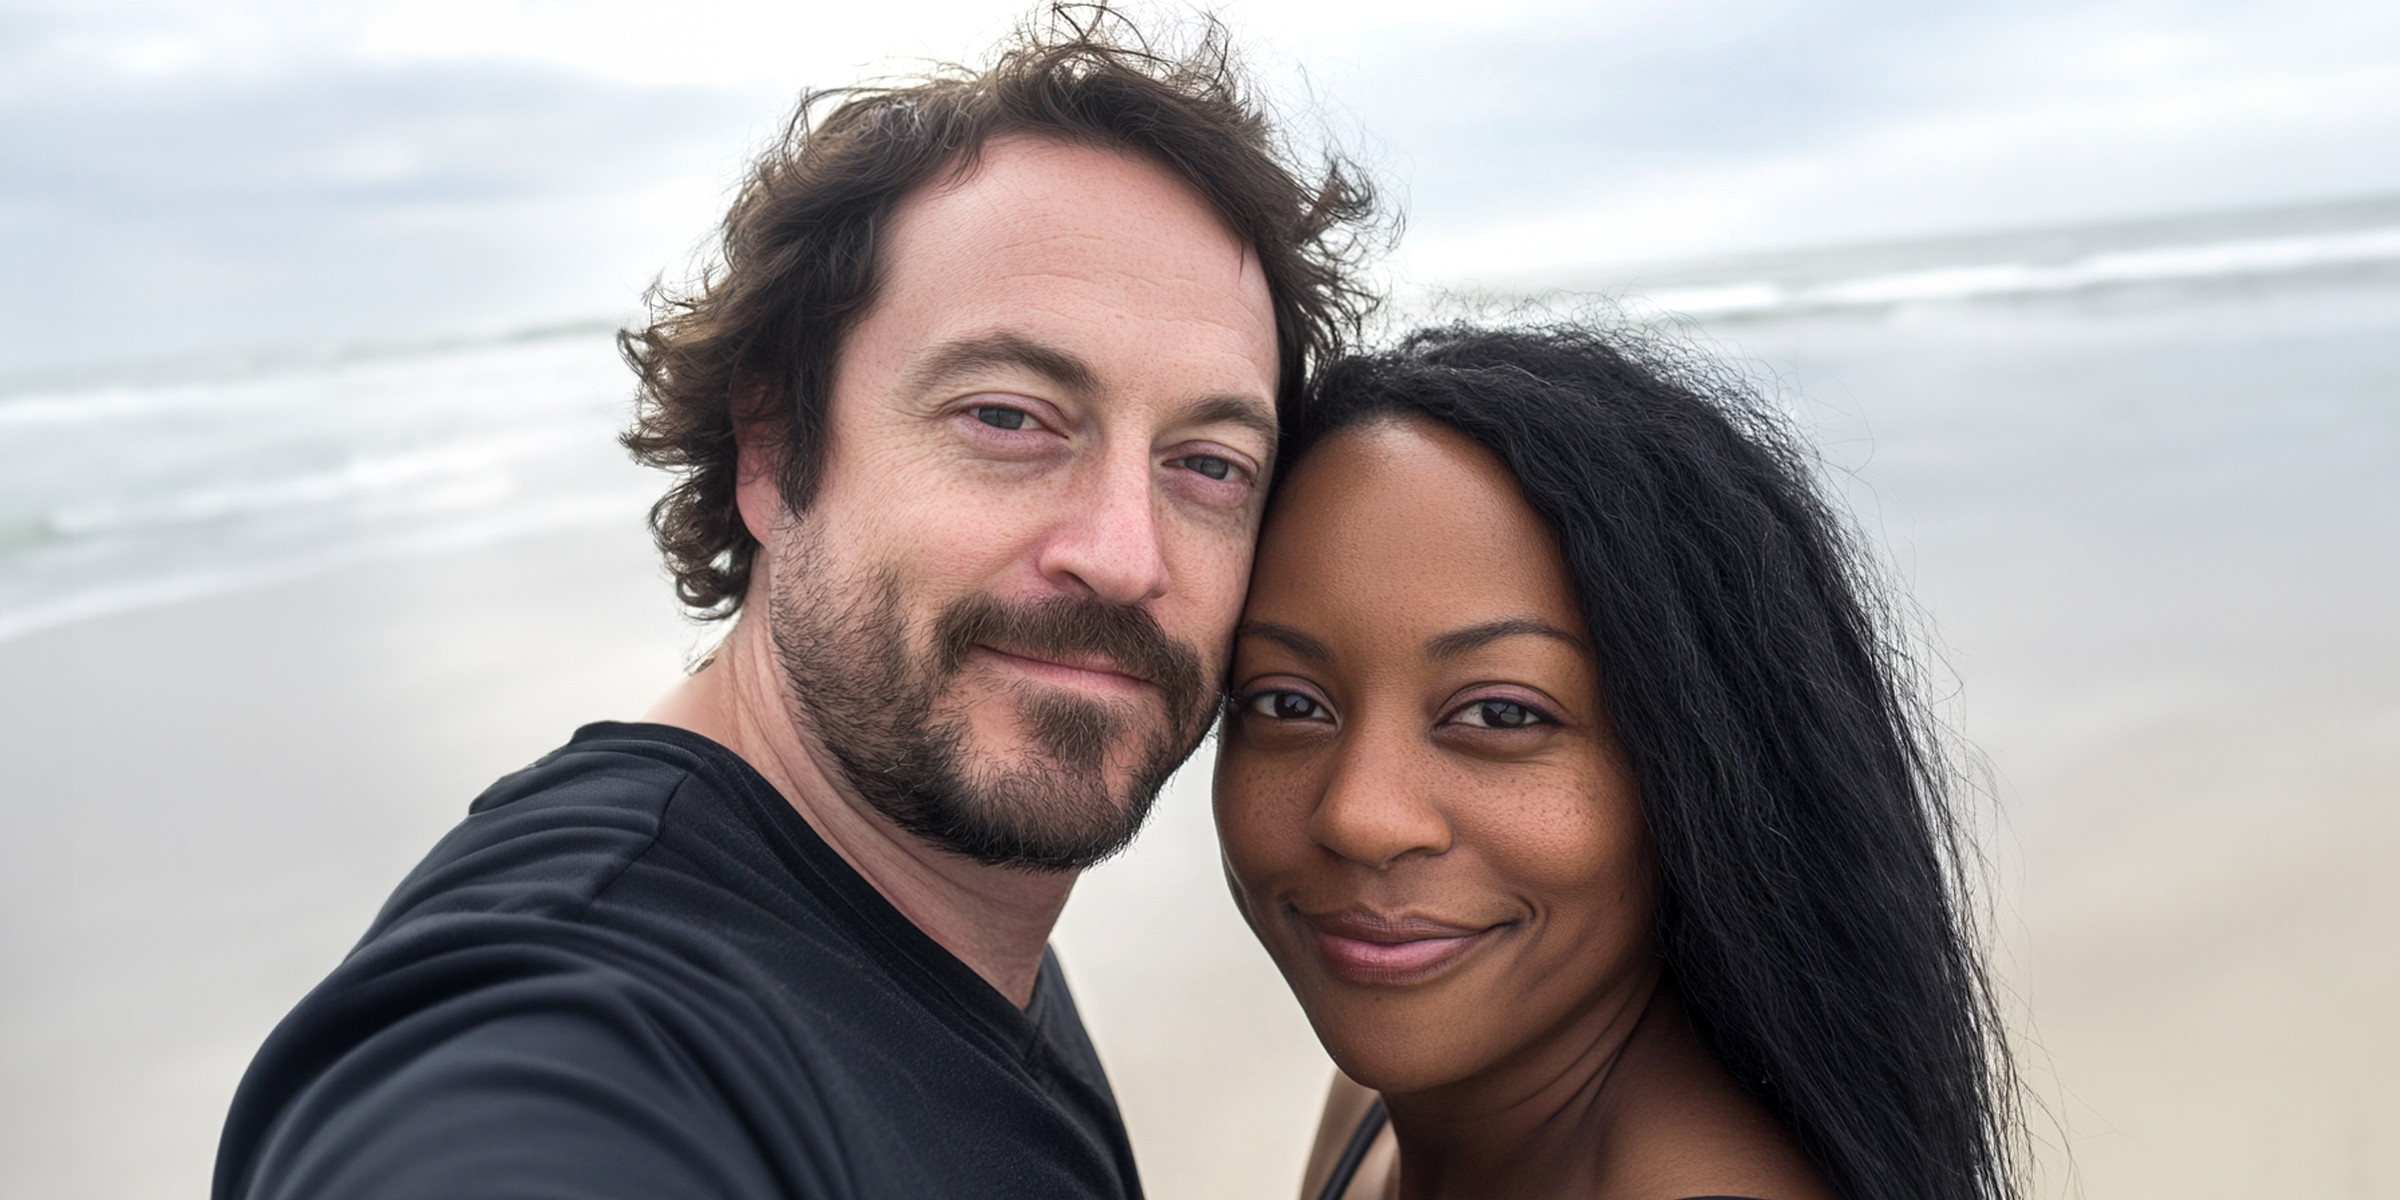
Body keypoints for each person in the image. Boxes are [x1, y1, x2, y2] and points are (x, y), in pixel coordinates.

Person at [211, 11, 1375, 1199]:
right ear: (771, 451)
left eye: (1209, 464)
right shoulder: (556, 1030)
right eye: (1009, 418)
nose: (1125, 556)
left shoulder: (945, 897)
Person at [1214, 323, 2021, 1200]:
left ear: (1697, 775)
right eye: (1288, 703)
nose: (1360, 816)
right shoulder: (1381, 1111)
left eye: (1499, 713)